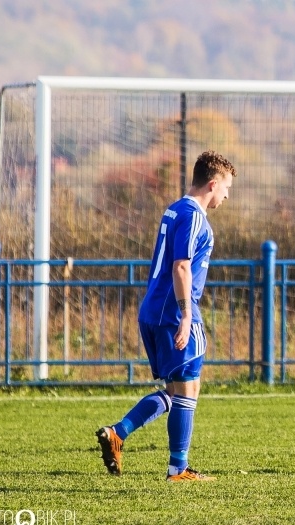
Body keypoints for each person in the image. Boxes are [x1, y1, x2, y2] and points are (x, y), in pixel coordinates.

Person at [96, 150, 235, 482]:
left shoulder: (173, 209)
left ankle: (118, 433)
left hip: (154, 309)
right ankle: (178, 468)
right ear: (213, 184)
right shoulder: (193, 215)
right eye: (226, 188)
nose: (227, 196)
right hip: (173, 312)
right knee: (187, 390)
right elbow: (182, 266)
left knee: (178, 391)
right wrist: (187, 316)